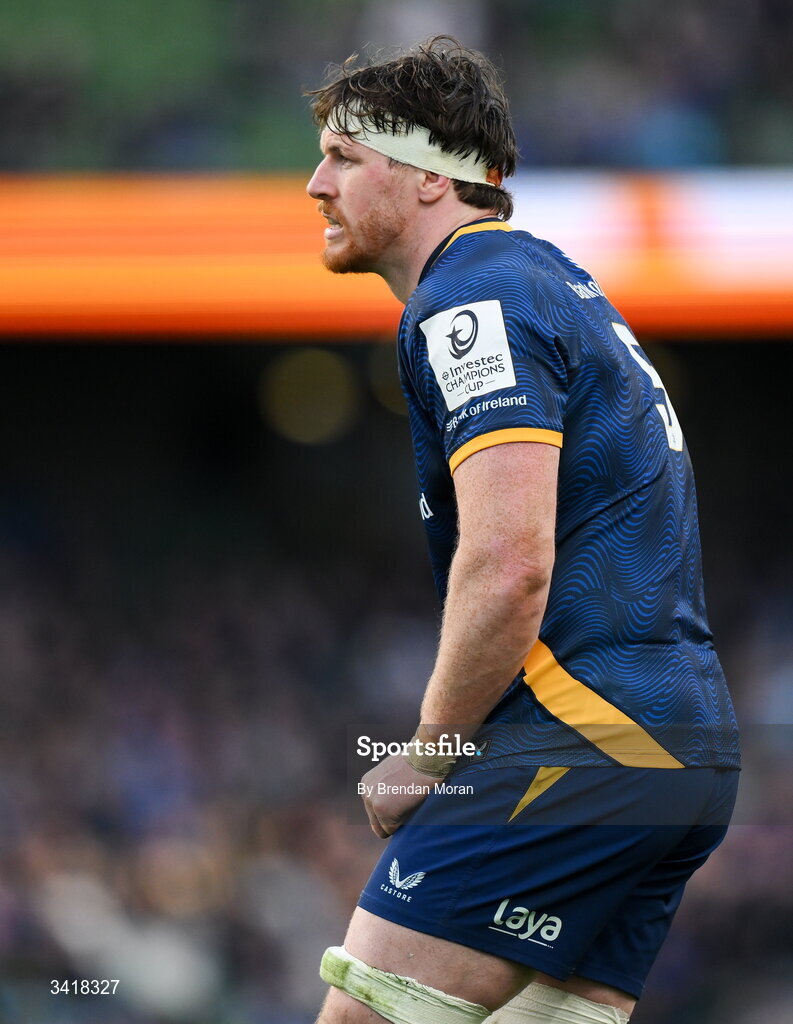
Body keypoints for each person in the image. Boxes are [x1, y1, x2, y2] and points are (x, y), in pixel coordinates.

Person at [305, 37, 740, 1024]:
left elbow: (508, 563)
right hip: (674, 743)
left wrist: (427, 751)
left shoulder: (472, 299)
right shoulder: (544, 280)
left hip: (588, 738)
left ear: (425, 177)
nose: (313, 183)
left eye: (342, 156)